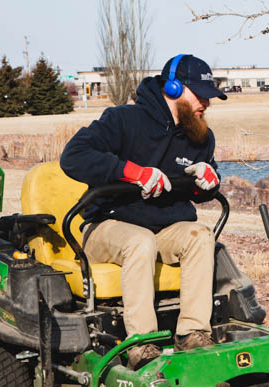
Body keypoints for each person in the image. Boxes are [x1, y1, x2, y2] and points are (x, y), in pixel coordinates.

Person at [60, 54, 226, 367]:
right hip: (106, 226)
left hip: (162, 229)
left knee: (200, 236)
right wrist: (134, 173)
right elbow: (73, 157)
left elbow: (204, 191)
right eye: (200, 95)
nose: (206, 103)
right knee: (140, 242)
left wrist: (208, 180)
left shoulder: (200, 136)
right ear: (173, 88)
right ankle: (142, 347)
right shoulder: (123, 120)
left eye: (209, 96)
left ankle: (194, 336)